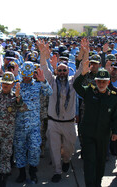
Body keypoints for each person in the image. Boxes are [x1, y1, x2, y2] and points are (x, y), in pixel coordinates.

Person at [37, 38, 88, 183]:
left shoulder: (73, 82)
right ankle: (57, 171)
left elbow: (81, 69)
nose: (61, 72)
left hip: (69, 123)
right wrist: (42, 54)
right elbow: (44, 68)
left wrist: (85, 53)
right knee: (54, 149)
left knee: (69, 148)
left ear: (68, 71)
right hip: (53, 122)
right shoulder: (52, 81)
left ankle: (66, 161)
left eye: (64, 70)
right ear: (56, 71)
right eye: (59, 70)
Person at [73, 66, 117, 187]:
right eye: (99, 81)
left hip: (103, 135)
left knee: (100, 162)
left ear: (108, 82)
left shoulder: (113, 97)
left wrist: (115, 132)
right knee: (89, 162)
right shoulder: (89, 92)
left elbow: (115, 117)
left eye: (104, 81)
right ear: (95, 81)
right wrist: (82, 74)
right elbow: (76, 86)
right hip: (88, 134)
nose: (101, 84)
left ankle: (97, 183)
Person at [14, 62, 52, 184]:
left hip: (34, 125)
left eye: (29, 75)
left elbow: (49, 92)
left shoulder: (38, 85)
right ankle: (21, 173)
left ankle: (32, 171)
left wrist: (44, 80)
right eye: (25, 75)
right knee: (19, 150)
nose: (26, 78)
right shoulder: (16, 86)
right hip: (19, 126)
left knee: (35, 149)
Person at [0, 72, 25, 187]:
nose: (5, 85)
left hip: (8, 132)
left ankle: (4, 175)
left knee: (6, 154)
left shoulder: (15, 97)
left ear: (13, 84)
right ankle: (1, 167)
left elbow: (21, 108)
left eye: (8, 83)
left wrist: (18, 96)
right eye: (4, 83)